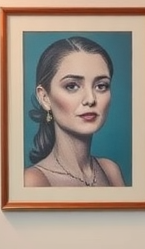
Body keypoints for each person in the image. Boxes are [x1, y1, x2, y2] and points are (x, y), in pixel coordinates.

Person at [24, 36, 126, 187]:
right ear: (45, 98)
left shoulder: (110, 170)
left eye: (101, 86)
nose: (90, 99)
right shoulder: (33, 180)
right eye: (72, 86)